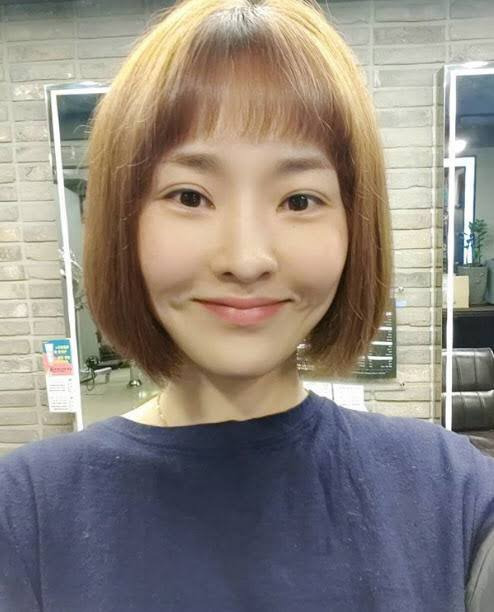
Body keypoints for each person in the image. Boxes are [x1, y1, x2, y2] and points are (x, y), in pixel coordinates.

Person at [1, 1, 494, 610]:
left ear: (354, 228)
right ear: (123, 222)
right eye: (190, 196)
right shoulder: (26, 511)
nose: (246, 258)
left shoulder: (451, 490)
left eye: (299, 200)